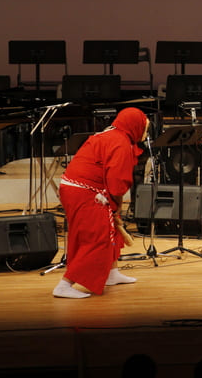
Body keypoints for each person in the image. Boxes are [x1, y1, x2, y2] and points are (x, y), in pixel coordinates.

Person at [53, 107, 149, 299]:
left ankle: (111, 274)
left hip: (78, 187)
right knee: (97, 236)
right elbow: (116, 184)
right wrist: (115, 207)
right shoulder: (120, 143)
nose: (145, 133)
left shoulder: (112, 134)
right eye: (144, 128)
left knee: (109, 229)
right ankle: (64, 284)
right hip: (84, 191)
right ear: (134, 126)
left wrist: (114, 210)